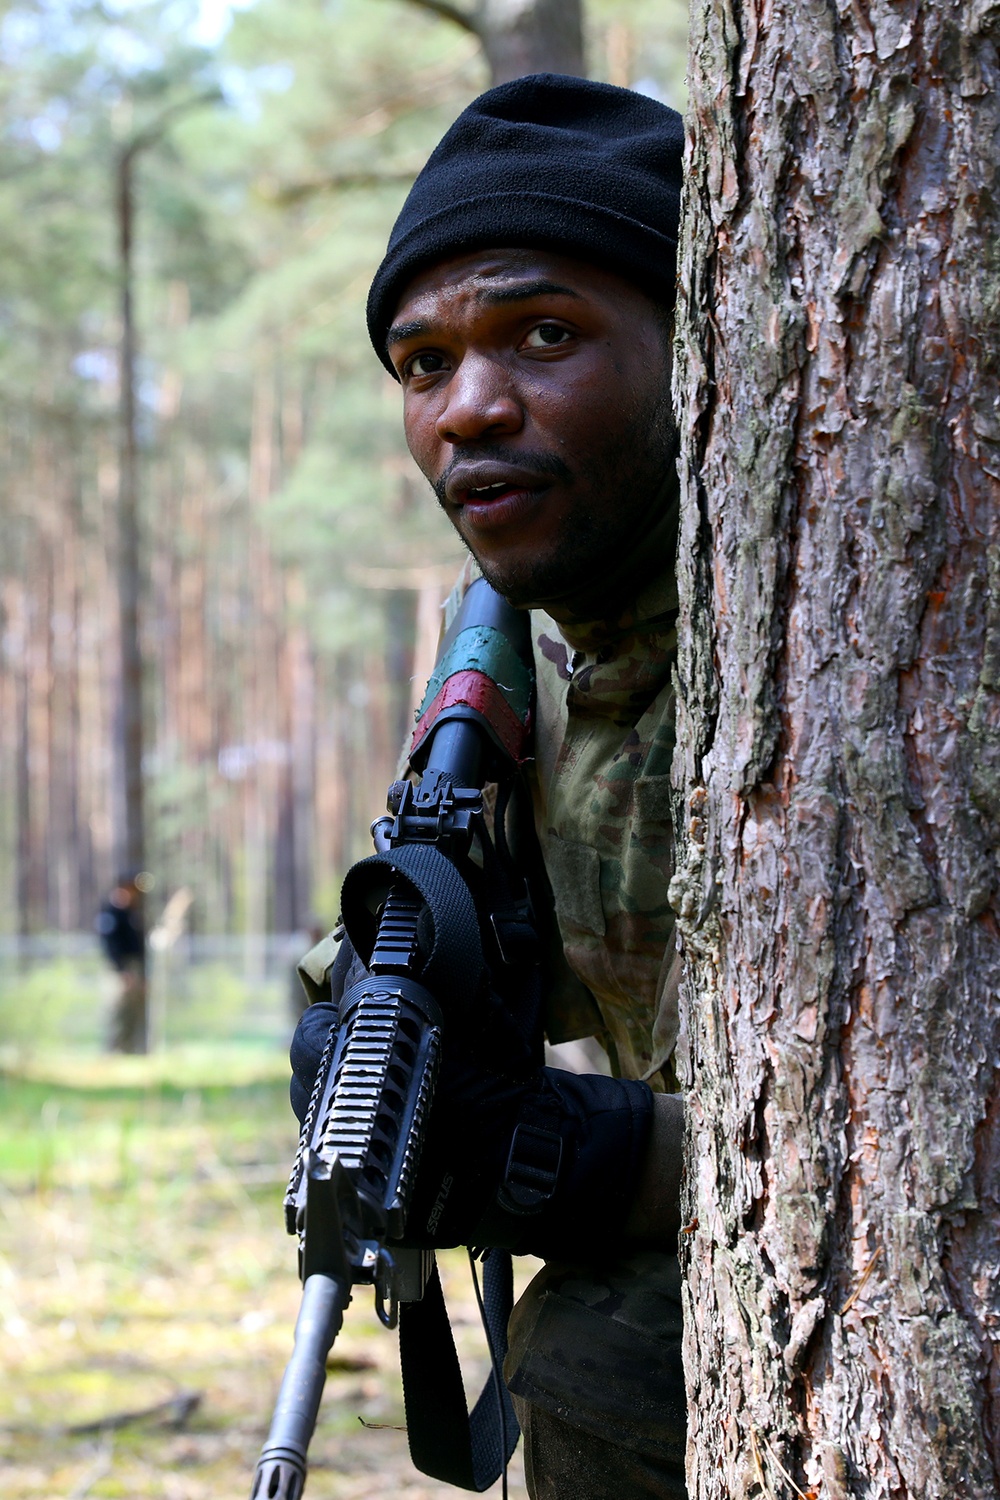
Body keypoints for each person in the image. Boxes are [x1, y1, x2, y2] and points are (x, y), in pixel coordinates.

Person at [293, 75, 688, 1498]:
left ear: (702, 343)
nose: (468, 408)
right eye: (421, 363)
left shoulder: (874, 669)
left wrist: (606, 1164)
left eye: (543, 333)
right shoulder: (560, 685)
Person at [95, 872, 147, 1053]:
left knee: (134, 1011)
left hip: (133, 968)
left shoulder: (130, 913)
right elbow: (109, 945)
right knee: (117, 1009)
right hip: (119, 970)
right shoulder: (111, 913)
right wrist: (121, 969)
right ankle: (113, 1049)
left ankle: (129, 1048)